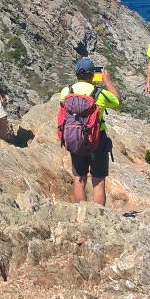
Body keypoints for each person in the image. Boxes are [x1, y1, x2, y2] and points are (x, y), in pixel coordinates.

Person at [59, 58, 121, 206]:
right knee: (98, 181)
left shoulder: (66, 91)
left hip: (75, 139)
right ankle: (98, 217)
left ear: (76, 74)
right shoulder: (99, 94)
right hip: (97, 140)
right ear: (93, 74)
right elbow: (117, 100)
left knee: (79, 179)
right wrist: (107, 81)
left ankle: (82, 214)